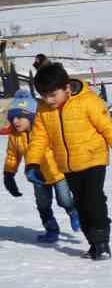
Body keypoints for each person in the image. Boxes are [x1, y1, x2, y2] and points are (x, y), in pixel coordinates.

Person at [27, 63, 112, 261]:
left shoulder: (88, 101)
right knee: (80, 204)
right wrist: (32, 163)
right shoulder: (43, 109)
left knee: (93, 200)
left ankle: (102, 243)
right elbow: (39, 138)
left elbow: (109, 128)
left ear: (66, 88)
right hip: (67, 165)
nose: (48, 100)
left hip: (93, 159)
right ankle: (93, 242)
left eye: (52, 95)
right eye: (43, 95)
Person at [4, 93, 79, 243]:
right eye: (12, 118)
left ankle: (73, 212)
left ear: (31, 117)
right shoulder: (14, 136)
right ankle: (51, 230)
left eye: (20, 117)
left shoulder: (43, 131)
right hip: (36, 176)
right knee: (43, 205)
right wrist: (8, 174)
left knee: (64, 200)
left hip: (57, 173)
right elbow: (13, 156)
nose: (15, 121)